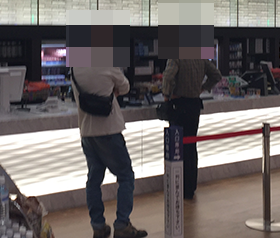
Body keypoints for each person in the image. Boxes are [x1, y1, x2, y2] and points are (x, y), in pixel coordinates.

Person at [71, 67, 148, 238]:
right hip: (109, 131)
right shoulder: (107, 64)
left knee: (93, 181)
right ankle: (122, 225)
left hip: (87, 132)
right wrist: (112, 89)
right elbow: (126, 86)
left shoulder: (76, 68)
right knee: (126, 176)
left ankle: (98, 226)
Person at [162, 59, 222, 199]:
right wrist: (202, 88)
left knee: (178, 147)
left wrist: (166, 95)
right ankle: (190, 186)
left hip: (178, 105)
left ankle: (178, 185)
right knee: (191, 146)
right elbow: (216, 75)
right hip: (194, 105)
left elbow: (168, 76)